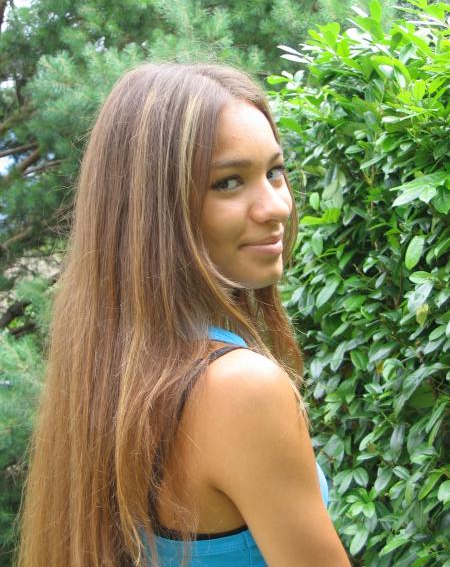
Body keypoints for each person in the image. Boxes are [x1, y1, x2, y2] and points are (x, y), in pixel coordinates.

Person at [17, 63, 351, 567]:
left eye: (275, 172)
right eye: (229, 182)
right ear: (156, 210)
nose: (276, 207)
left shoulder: (111, 373)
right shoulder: (240, 388)